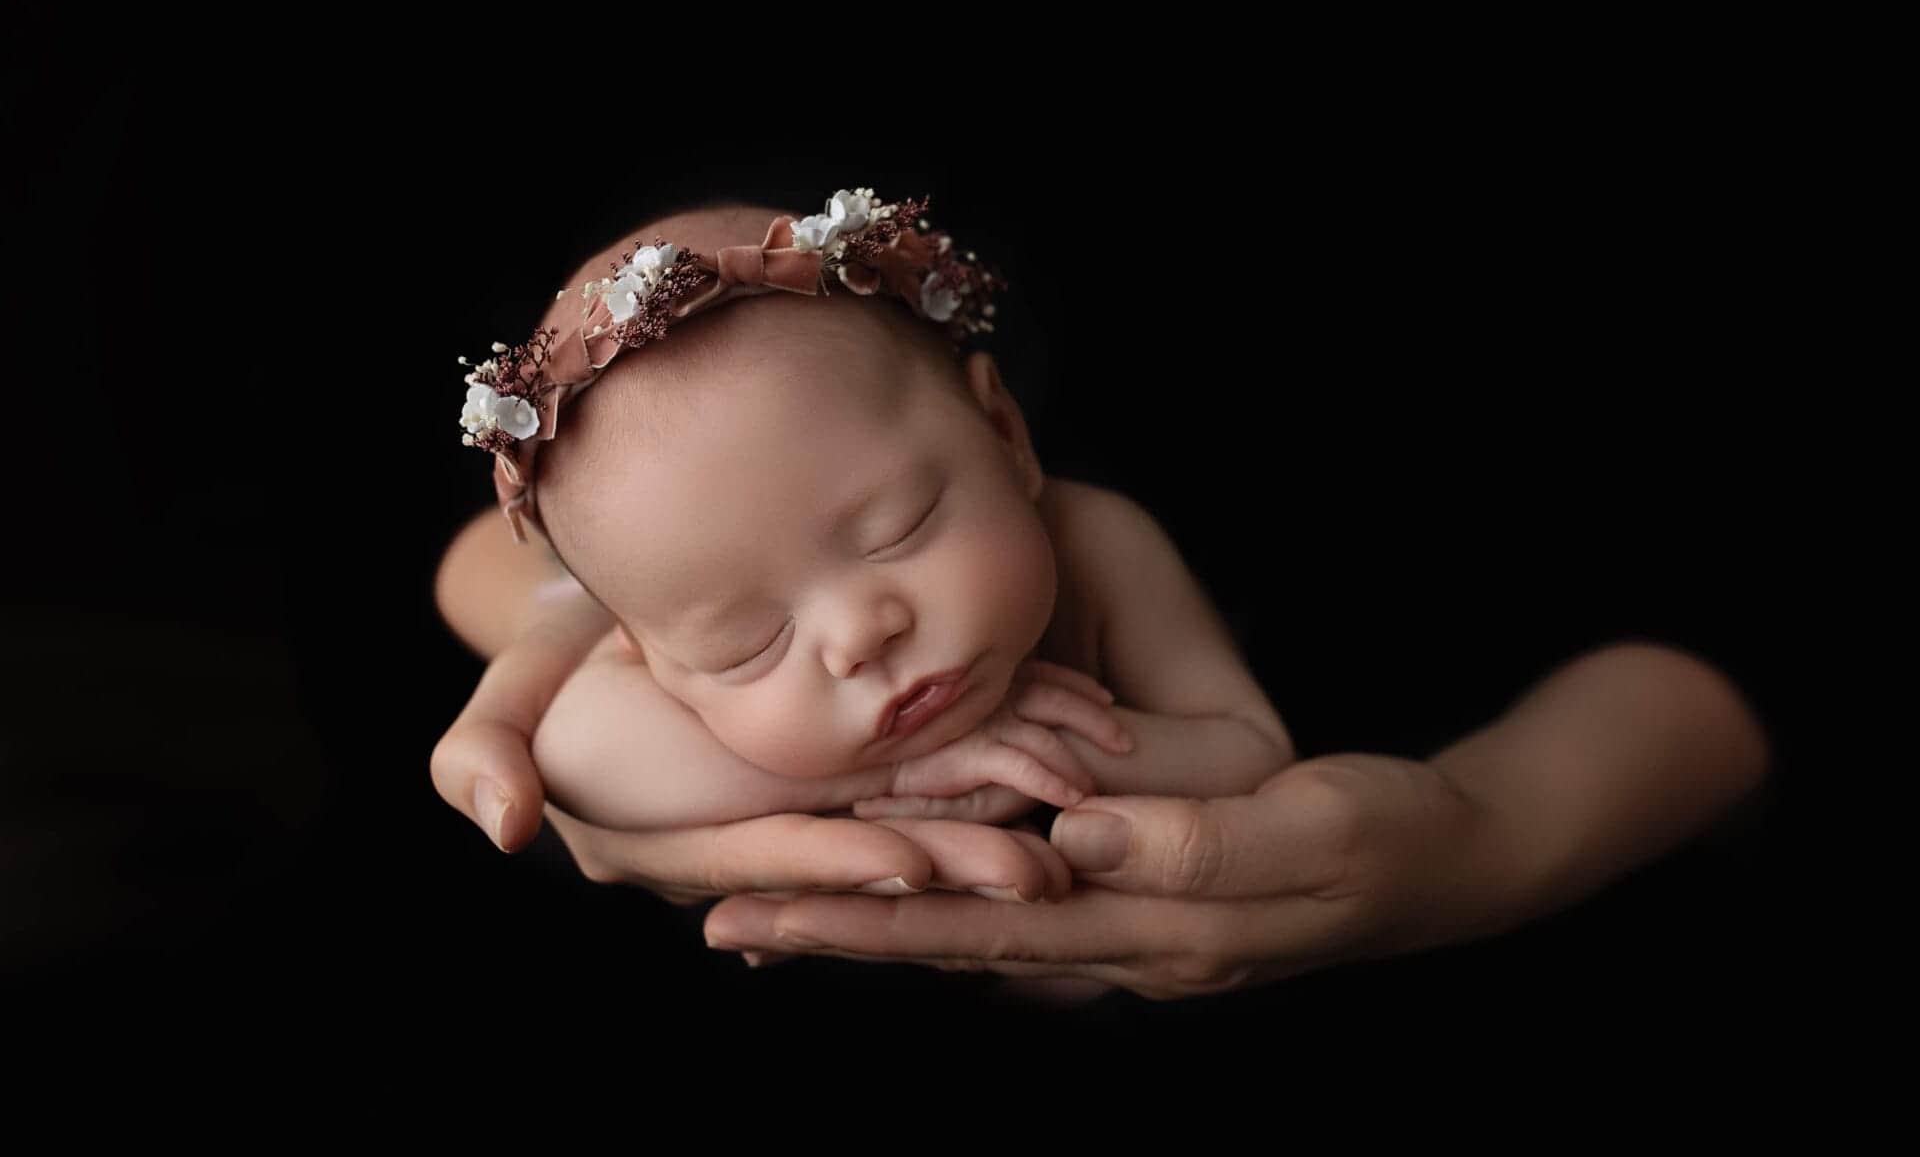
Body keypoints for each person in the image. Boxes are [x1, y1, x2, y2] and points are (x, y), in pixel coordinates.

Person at [431, 191, 1774, 1002]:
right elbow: (584, 758)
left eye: (902, 525)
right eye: (747, 642)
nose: (858, 633)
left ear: (1004, 438)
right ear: (648, 652)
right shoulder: (640, 686)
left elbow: (1248, 749)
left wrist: (1080, 754)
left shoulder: (1102, 546)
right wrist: (854, 789)